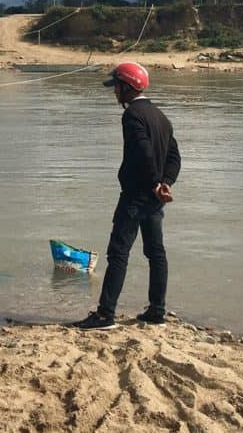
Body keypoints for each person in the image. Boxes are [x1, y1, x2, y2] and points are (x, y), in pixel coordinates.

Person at [73, 62, 180, 330]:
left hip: (135, 197)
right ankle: (157, 311)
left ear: (128, 87)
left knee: (118, 254)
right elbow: (174, 157)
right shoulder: (160, 116)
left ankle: (105, 315)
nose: (114, 92)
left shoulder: (132, 115)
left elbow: (143, 152)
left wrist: (155, 183)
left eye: (117, 86)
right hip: (154, 199)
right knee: (156, 253)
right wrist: (165, 184)